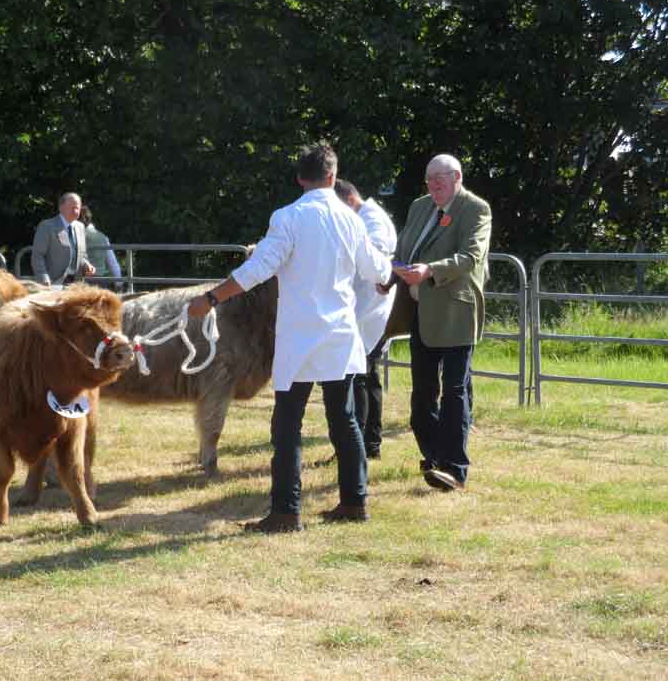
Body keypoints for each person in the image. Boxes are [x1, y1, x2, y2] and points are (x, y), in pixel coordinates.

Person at [188, 143, 398, 532]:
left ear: (300, 178)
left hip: (300, 336)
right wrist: (389, 277)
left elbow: (259, 268)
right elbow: (376, 267)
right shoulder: (352, 219)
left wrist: (211, 297)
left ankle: (286, 510)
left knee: (287, 424)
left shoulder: (287, 217)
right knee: (345, 420)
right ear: (333, 177)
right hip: (339, 333)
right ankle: (355, 502)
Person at [386, 154, 491, 491]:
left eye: (440, 178)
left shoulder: (475, 209)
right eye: (429, 178)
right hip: (421, 312)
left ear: (457, 176)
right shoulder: (420, 207)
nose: (433, 184)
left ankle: (455, 469)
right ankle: (433, 458)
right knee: (422, 398)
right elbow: (403, 250)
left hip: (457, 313)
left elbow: (471, 256)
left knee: (455, 393)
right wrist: (388, 278)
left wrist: (429, 270)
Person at [334, 179, 397, 459]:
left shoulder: (372, 220)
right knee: (366, 377)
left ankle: (360, 446)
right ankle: (367, 445)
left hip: (372, 310)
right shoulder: (365, 217)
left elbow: (374, 261)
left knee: (361, 377)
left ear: (349, 200)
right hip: (364, 309)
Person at [31, 192, 96, 286]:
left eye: (77, 208)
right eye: (72, 208)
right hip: (52, 283)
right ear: (61, 208)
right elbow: (37, 256)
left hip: (76, 284)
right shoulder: (47, 226)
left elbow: (82, 255)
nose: (76, 211)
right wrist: (43, 278)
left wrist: (87, 265)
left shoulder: (80, 227)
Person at [80, 205, 123, 290]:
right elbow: (112, 263)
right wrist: (119, 283)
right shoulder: (103, 237)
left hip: (82, 283)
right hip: (101, 282)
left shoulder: (77, 236)